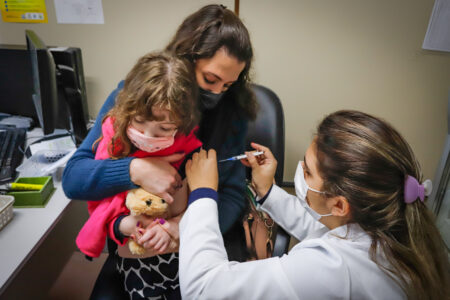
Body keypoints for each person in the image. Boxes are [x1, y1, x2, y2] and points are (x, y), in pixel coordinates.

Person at [181, 110, 450, 300]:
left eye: (308, 171)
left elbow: (202, 289)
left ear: (340, 205)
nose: (299, 171)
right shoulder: (396, 228)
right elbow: (326, 229)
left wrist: (203, 194)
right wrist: (267, 191)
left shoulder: (329, 269)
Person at [62, 4, 256, 257]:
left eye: (228, 85)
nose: (217, 93)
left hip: (198, 241)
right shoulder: (137, 98)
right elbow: (73, 179)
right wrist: (135, 170)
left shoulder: (232, 114)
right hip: (139, 241)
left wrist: (182, 227)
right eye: (210, 80)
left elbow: (232, 194)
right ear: (185, 60)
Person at [75, 51, 201, 299]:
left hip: (185, 256)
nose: (148, 137)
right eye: (140, 122)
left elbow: (204, 205)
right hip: (135, 262)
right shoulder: (113, 143)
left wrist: (170, 225)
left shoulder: (190, 149)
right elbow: (102, 210)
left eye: (164, 129)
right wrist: (126, 225)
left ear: (183, 123)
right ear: (126, 109)